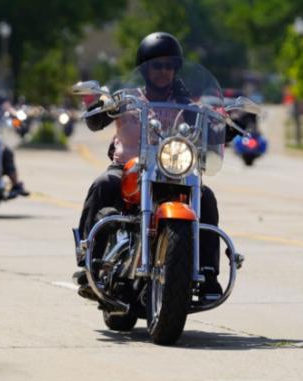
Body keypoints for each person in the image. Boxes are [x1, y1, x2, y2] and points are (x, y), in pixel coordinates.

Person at [76, 32, 224, 299]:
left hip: (173, 172)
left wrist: (222, 126)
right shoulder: (127, 98)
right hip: (128, 169)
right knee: (103, 184)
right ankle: (90, 262)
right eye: (157, 65)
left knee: (206, 196)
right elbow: (96, 121)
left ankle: (208, 272)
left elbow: (211, 130)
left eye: (169, 65)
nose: (163, 71)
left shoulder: (188, 105)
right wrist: (101, 108)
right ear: (145, 68)